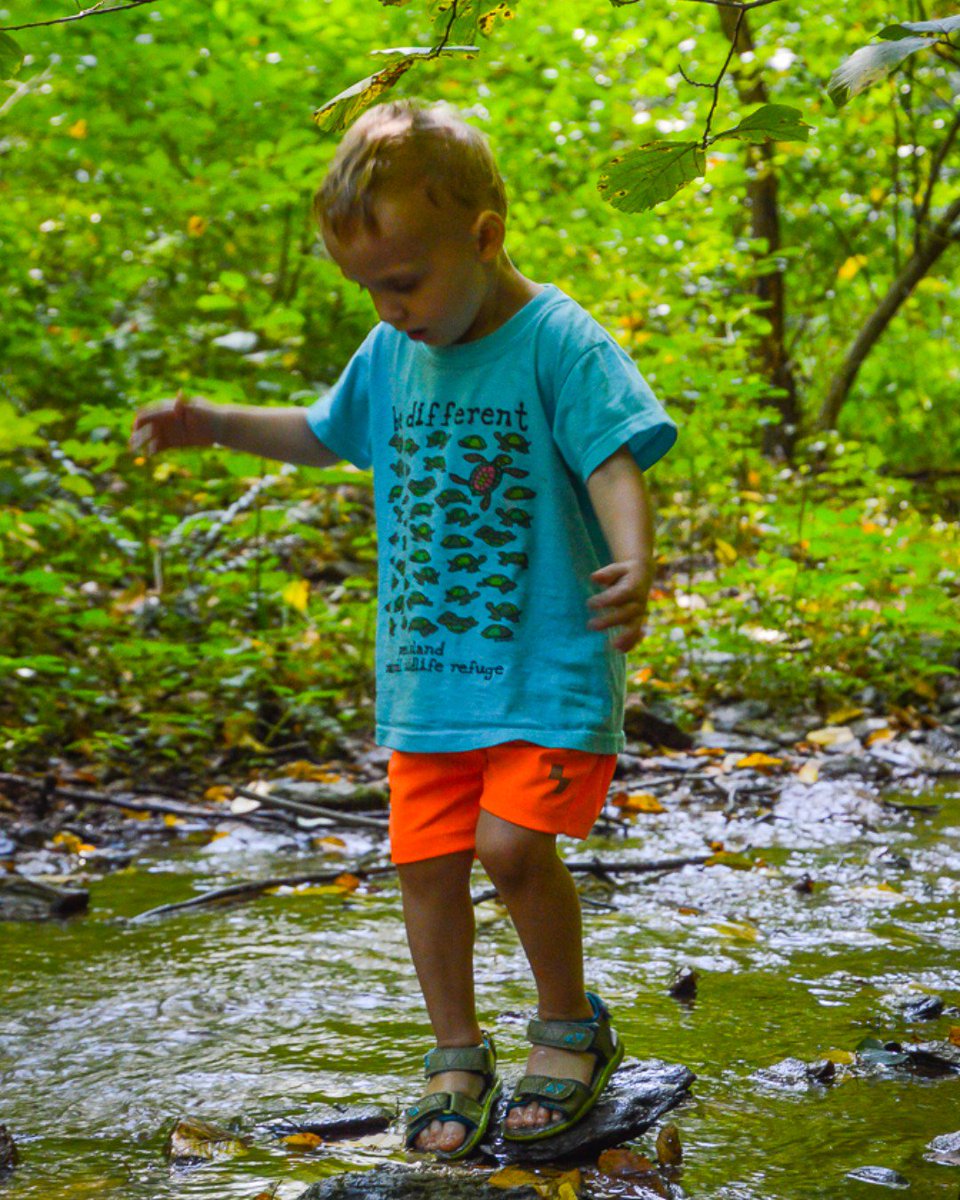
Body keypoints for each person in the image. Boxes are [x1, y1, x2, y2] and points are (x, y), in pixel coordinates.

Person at [131, 99, 677, 1160]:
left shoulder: (558, 339)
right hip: (429, 680)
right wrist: (215, 426)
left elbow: (615, 457)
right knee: (426, 867)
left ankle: (570, 1027)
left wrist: (637, 563)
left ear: (484, 237)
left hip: (546, 662)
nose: (386, 309)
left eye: (402, 281)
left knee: (512, 849)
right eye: (367, 288)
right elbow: (326, 433)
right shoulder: (393, 354)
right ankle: (455, 1050)